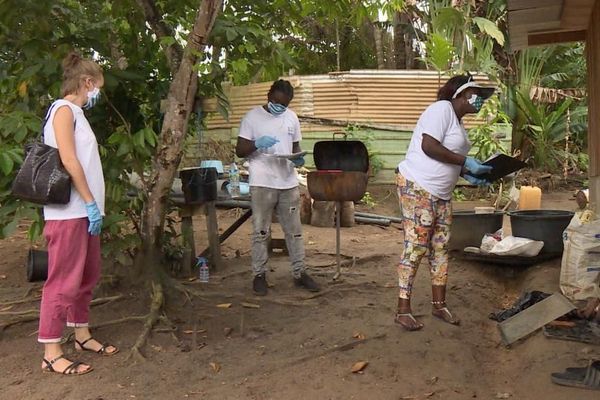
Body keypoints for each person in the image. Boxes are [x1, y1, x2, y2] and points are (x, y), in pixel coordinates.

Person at [394, 74, 495, 331]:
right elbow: (429, 146)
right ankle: (403, 309)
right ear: (460, 93)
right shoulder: (441, 109)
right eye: (476, 94)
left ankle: (439, 305)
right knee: (416, 246)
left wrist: (469, 173)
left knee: (440, 248)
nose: (480, 100)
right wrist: (465, 162)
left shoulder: (458, 124)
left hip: (441, 193)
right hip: (418, 186)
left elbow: (450, 158)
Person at [38, 52, 118, 376]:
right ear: (87, 83)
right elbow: (69, 161)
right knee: (63, 281)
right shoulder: (62, 110)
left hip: (86, 213)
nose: (96, 93)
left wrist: (93, 208)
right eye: (96, 87)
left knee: (86, 277)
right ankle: (51, 350)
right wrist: (87, 201)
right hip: (70, 212)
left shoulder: (78, 114)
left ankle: (81, 334)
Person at [235, 79, 320, 296]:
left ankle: (300, 272)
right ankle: (259, 274)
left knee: (295, 231)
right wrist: (256, 143)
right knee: (261, 230)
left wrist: (298, 158)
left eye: (284, 104)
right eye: (276, 102)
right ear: (268, 95)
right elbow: (240, 150)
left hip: (288, 181)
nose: (279, 107)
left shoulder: (291, 117)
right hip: (262, 181)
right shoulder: (252, 117)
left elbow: (295, 146)